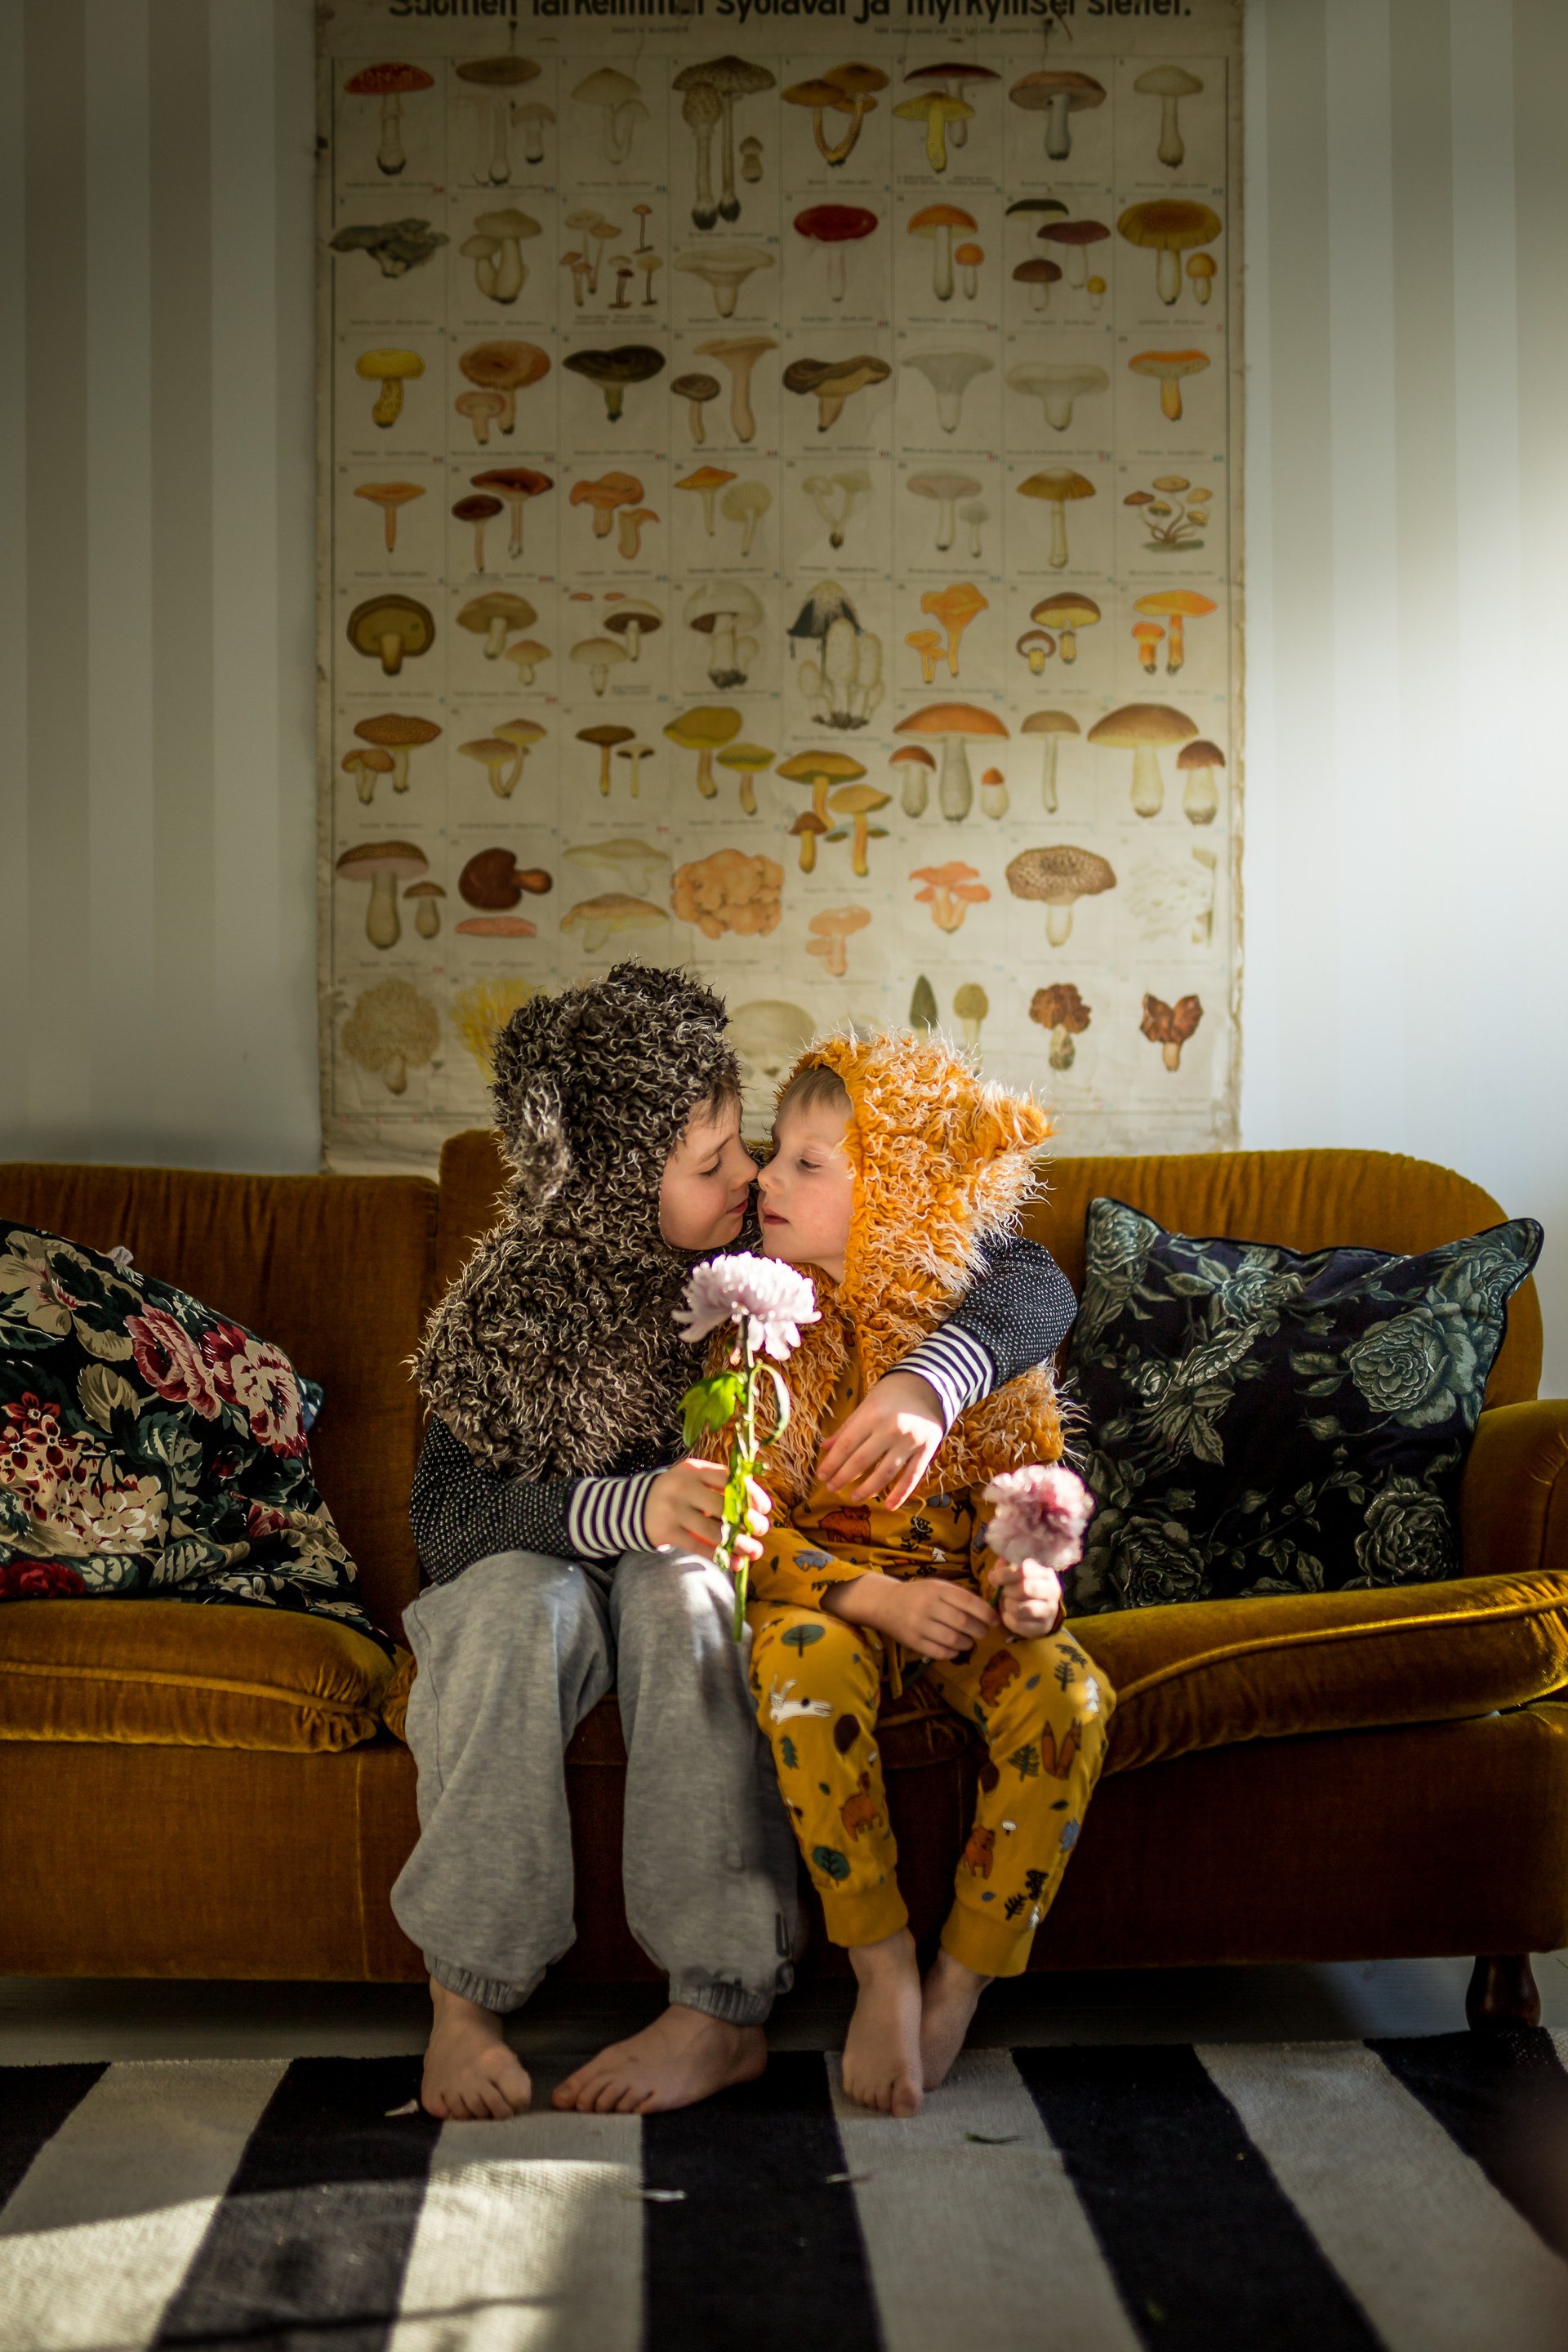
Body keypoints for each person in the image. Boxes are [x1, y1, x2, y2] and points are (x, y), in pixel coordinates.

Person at [395, 966, 1080, 2122]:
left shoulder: (774, 1253)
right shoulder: (513, 1306)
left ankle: (719, 2008)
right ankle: (463, 2003)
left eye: (747, 1148)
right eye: (714, 1164)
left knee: (688, 1592)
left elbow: (1020, 1273)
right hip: (533, 1563)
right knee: (516, 1608)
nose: (752, 1176)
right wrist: (629, 1507)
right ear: (618, 1191)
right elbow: (446, 1520)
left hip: (686, 1565)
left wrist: (929, 1380)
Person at [742, 1034, 1115, 2119]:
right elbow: (732, 1523)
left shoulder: (980, 1333)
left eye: (807, 1163)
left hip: (958, 1597)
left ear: (900, 1194)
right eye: (772, 1153)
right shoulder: (755, 1323)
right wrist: (871, 1597)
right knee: (804, 1674)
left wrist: (1025, 1586)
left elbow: (1023, 1497)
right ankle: (882, 1963)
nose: (765, 1178)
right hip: (824, 1596)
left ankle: (963, 1977)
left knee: (1070, 1694)